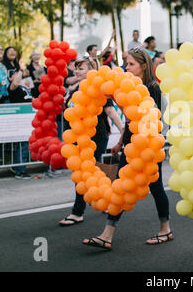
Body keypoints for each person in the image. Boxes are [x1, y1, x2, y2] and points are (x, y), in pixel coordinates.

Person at [82, 48, 171, 249]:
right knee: (121, 185)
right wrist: (121, 141)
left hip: (147, 146)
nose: (126, 67)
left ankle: (165, 229)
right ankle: (107, 234)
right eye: (125, 63)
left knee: (155, 187)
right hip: (131, 143)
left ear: (143, 65)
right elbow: (131, 120)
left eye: (130, 63)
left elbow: (150, 120)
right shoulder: (130, 86)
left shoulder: (152, 88)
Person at [59, 58, 124, 226]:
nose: (76, 71)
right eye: (76, 68)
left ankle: (78, 212)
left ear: (91, 70)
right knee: (91, 172)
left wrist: (123, 130)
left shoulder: (97, 87)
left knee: (84, 173)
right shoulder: (74, 88)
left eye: (80, 68)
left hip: (94, 137)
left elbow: (110, 110)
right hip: (77, 137)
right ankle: (107, 201)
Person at [7, 68, 32, 180]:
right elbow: (15, 82)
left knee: (25, 144)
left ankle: (17, 166)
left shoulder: (23, 87)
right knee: (23, 144)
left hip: (28, 117)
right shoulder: (13, 87)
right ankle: (19, 170)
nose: (19, 75)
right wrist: (21, 70)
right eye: (15, 74)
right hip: (21, 118)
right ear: (10, 78)